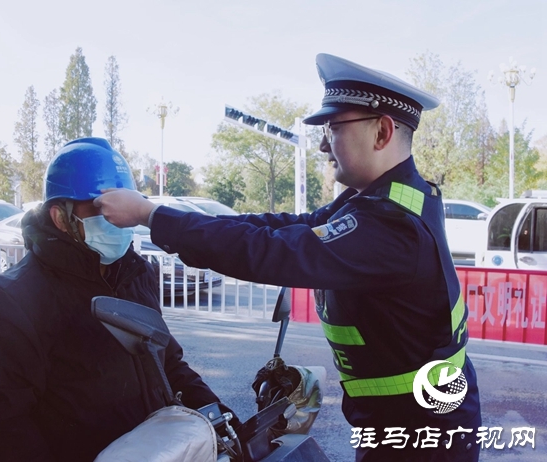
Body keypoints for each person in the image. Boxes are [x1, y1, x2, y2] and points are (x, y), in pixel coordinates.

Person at [94, 54, 482, 461]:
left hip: (422, 431)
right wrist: (171, 217)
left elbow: (274, 251)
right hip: (406, 417)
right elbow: (286, 227)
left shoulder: (392, 226)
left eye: (334, 128)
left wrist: (150, 216)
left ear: (382, 132)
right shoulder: (388, 199)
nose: (322, 144)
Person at [0, 138, 225, 462]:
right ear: (61, 218)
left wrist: (224, 422)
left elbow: (169, 365)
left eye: (126, 208)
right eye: (103, 208)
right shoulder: (5, 303)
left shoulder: (135, 275)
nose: (120, 221)